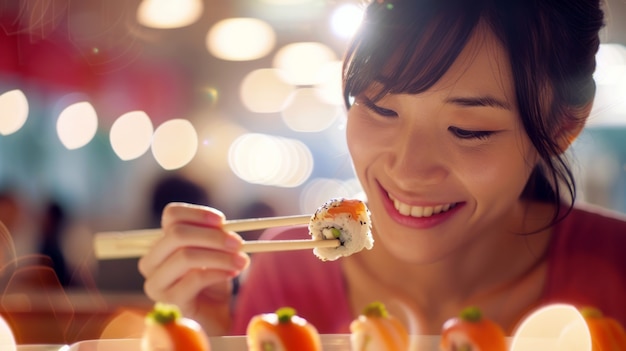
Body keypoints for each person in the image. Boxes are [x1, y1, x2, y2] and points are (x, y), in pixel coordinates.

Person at [138, 0, 626, 336]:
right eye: (380, 107)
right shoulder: (286, 276)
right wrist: (208, 335)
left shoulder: (615, 270)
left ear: (563, 125)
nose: (409, 169)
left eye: (469, 129)